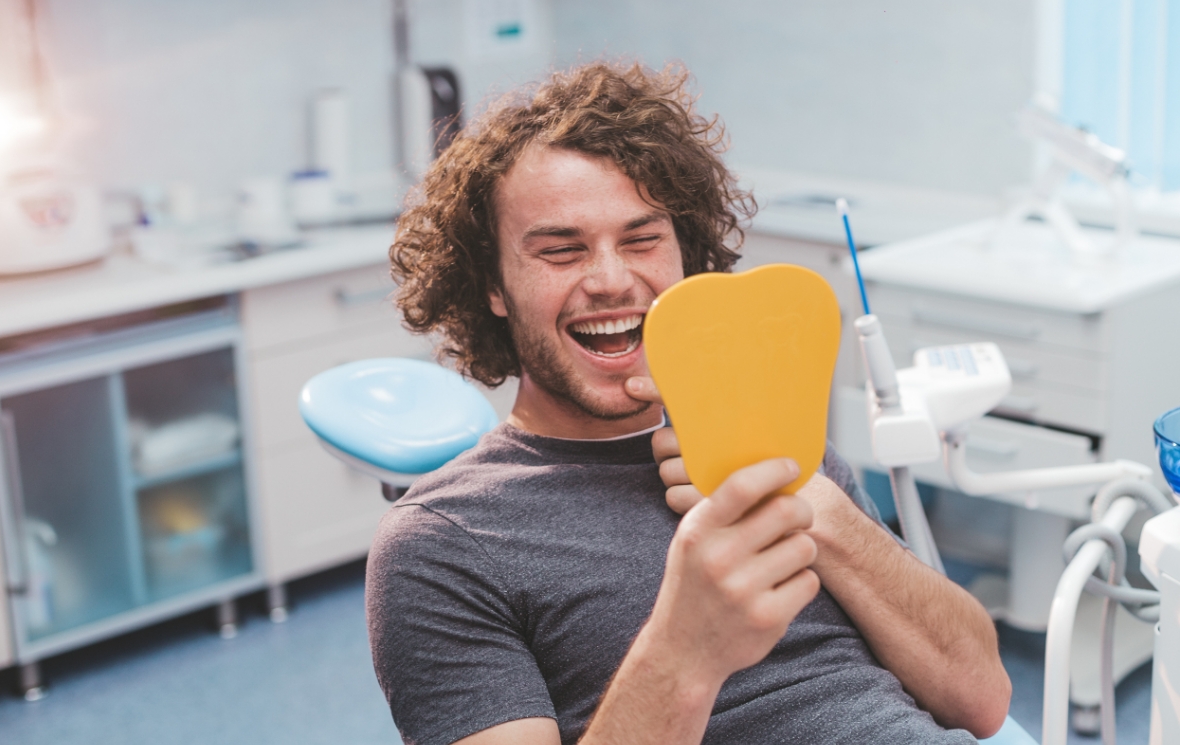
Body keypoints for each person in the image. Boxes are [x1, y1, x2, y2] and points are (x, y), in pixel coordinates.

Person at [366, 61, 1011, 745]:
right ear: (493, 285)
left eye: (642, 240)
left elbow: (984, 696)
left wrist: (815, 506)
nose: (612, 281)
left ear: (685, 259)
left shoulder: (775, 445)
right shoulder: (441, 544)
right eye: (562, 251)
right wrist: (685, 647)